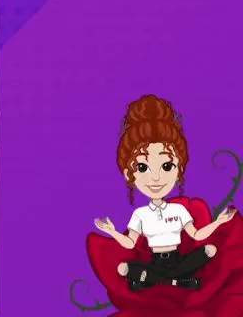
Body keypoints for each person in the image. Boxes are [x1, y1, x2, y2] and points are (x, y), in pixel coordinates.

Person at [85, 95, 243, 316]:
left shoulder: (180, 210)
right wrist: (111, 231)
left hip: (178, 263)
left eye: (166, 166)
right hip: (158, 265)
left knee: (208, 251)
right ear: (128, 174)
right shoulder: (140, 214)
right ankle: (174, 281)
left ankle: (165, 280)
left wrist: (219, 222)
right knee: (123, 268)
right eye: (142, 167)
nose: (156, 177)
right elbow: (130, 244)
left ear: (180, 168)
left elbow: (197, 235)